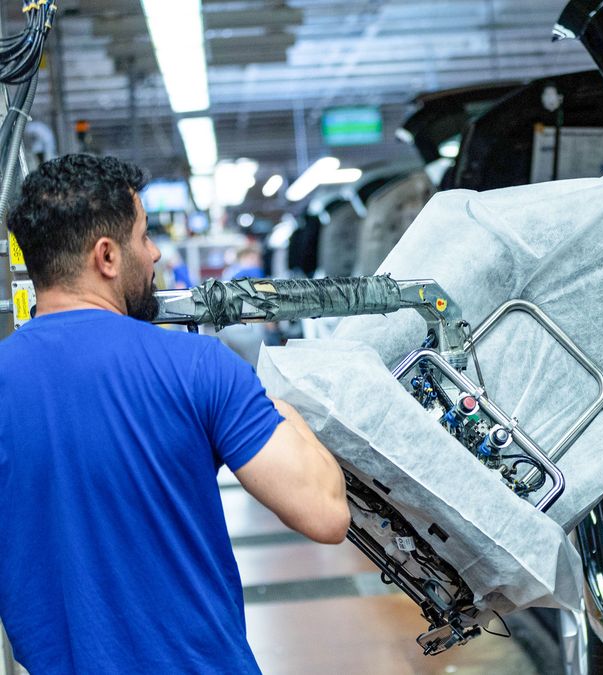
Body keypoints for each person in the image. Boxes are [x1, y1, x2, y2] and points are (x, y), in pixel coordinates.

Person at [0, 155, 350, 673]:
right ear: (107, 256)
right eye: (143, 236)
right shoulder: (199, 367)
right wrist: (282, 408)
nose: (156, 252)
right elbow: (326, 515)